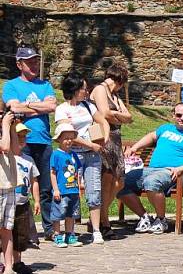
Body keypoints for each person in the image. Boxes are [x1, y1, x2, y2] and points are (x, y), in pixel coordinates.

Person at [118, 103, 183, 235]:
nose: (182, 118)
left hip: (173, 172)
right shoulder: (165, 128)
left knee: (151, 183)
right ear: (173, 115)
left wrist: (180, 169)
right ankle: (144, 217)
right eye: (179, 115)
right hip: (151, 169)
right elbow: (151, 137)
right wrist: (135, 147)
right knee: (118, 183)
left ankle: (161, 219)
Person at [3, 47, 57, 240]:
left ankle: (49, 228)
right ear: (19, 64)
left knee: (45, 188)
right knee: (22, 187)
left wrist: (26, 106)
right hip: (21, 141)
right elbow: (14, 108)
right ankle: (25, 231)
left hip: (43, 141)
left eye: (35, 61)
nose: (34, 65)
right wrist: (38, 107)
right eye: (29, 62)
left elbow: (52, 106)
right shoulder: (11, 86)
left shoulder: (45, 85)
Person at [55, 75, 110, 245]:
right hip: (73, 154)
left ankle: (96, 230)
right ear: (74, 90)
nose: (86, 91)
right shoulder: (62, 109)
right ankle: (69, 230)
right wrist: (89, 144)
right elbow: (67, 133)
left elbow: (103, 120)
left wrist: (104, 137)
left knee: (94, 190)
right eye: (83, 88)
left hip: (92, 155)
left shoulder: (88, 106)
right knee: (71, 190)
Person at [90, 63, 133, 238]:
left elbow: (129, 117)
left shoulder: (115, 95)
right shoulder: (100, 89)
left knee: (119, 181)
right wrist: (120, 116)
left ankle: (100, 216)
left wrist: (120, 116)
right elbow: (105, 113)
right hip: (104, 137)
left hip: (116, 138)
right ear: (120, 80)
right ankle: (104, 222)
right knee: (106, 180)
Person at [12, 123, 39, 274]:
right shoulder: (6, 158)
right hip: (8, 201)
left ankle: (17, 261)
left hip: (23, 202)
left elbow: (34, 181)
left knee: (20, 234)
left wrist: (36, 200)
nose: (22, 140)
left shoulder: (28, 160)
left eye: (24, 137)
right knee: (5, 232)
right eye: (18, 137)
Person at [49, 124, 82, 248]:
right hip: (61, 190)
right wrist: (56, 189)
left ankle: (69, 234)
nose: (69, 141)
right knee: (58, 213)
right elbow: (52, 173)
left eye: (71, 138)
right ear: (59, 139)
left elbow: (77, 172)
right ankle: (57, 235)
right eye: (65, 138)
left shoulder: (73, 155)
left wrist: (79, 187)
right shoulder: (56, 155)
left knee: (71, 214)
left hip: (73, 190)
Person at [0, 111, 21, 274]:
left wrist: (12, 128)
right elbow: (4, 147)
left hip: (8, 184)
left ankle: (8, 267)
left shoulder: (5, 130)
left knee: (7, 228)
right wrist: (6, 125)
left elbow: (15, 149)